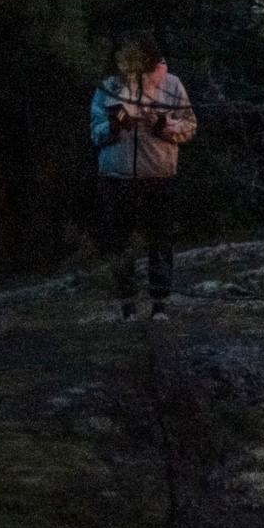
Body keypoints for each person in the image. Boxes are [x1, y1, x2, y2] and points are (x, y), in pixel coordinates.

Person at [90, 37, 199, 320]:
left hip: (158, 174)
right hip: (117, 176)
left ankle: (159, 303)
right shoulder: (110, 87)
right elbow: (95, 131)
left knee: (160, 239)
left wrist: (163, 126)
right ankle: (127, 303)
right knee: (120, 240)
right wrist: (114, 126)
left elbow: (189, 126)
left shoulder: (171, 85)